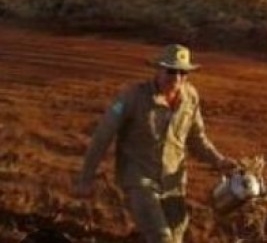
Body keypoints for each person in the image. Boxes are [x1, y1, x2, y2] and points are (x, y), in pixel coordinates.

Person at [73, 44, 236, 243]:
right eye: (171, 71)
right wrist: (85, 179)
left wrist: (219, 161)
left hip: (173, 183)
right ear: (158, 70)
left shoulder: (190, 97)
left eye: (183, 73)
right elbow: (102, 136)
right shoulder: (133, 97)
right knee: (161, 238)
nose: (177, 78)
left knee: (176, 237)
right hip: (139, 179)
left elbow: (197, 138)